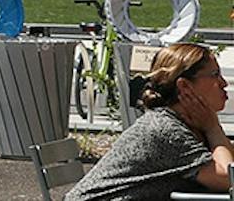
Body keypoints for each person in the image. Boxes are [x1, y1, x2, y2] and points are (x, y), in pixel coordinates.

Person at [67, 42, 234, 199]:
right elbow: (229, 179)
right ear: (184, 86)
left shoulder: (188, 125)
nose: (224, 83)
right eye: (215, 75)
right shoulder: (166, 129)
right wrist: (213, 128)